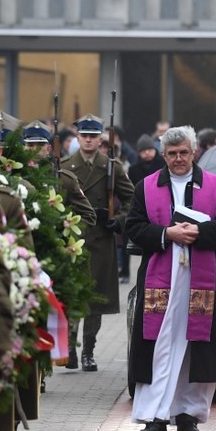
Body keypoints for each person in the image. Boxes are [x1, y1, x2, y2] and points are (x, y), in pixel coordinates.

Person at [125, 125, 216, 431]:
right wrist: (166, 234)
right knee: (160, 346)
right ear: (163, 155)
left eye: (184, 153)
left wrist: (200, 233)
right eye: (172, 154)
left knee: (195, 347)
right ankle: (155, 417)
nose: (178, 159)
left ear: (194, 152)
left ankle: (188, 416)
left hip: (201, 279)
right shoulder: (145, 187)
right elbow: (133, 226)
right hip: (160, 279)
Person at [61, 114, 135, 371]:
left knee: (95, 300)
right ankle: (69, 349)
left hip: (101, 239)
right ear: (78, 137)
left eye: (94, 136)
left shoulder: (110, 166)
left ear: (100, 137)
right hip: (73, 240)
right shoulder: (65, 166)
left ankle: (88, 352)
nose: (89, 140)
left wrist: (119, 220)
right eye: (84, 136)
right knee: (72, 297)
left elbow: (132, 198)